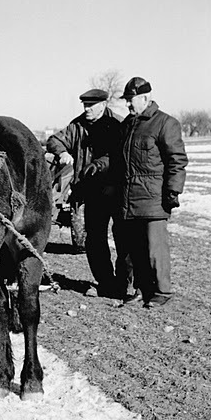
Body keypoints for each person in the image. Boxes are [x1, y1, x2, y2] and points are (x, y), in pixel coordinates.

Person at [47, 89, 131, 298]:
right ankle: (105, 282)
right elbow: (53, 140)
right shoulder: (77, 126)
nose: (87, 110)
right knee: (94, 240)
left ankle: (124, 284)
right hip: (91, 193)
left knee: (123, 239)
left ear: (103, 105)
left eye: (91, 106)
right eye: (84, 106)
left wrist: (100, 165)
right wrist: (63, 151)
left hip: (116, 190)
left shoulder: (119, 125)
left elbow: (121, 155)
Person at [112, 77, 188, 308]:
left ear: (145, 98)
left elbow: (177, 160)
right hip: (127, 198)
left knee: (156, 250)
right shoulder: (128, 124)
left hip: (154, 198)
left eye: (131, 100)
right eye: (126, 100)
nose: (128, 104)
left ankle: (162, 291)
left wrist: (173, 191)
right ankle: (137, 289)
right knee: (131, 250)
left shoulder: (166, 123)